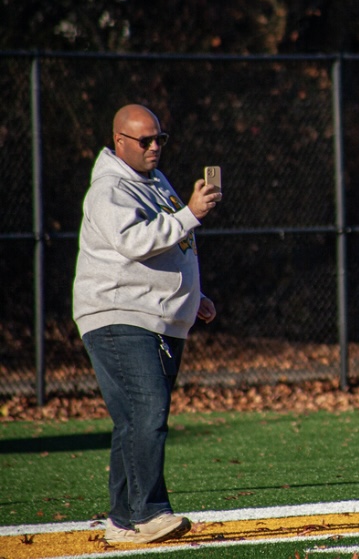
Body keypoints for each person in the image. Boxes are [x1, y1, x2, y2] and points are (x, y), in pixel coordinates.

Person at [73, 104, 222, 544]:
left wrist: (193, 297)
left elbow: (169, 246)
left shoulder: (152, 181)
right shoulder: (109, 190)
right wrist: (191, 212)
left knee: (132, 420)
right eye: (146, 140)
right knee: (148, 410)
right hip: (119, 315)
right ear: (119, 141)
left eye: (160, 139)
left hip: (156, 318)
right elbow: (134, 242)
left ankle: (121, 522)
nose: (155, 146)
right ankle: (149, 512)